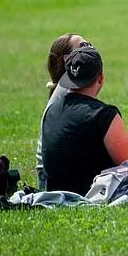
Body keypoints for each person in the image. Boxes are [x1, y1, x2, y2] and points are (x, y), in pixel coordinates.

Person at [41, 45, 128, 194]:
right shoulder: (103, 115)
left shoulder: (51, 110)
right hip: (91, 194)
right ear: (100, 77)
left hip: (54, 194)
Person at [35, 33, 90, 189]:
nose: (92, 50)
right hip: (58, 186)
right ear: (68, 60)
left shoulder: (64, 90)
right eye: (84, 47)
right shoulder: (70, 93)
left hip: (50, 182)